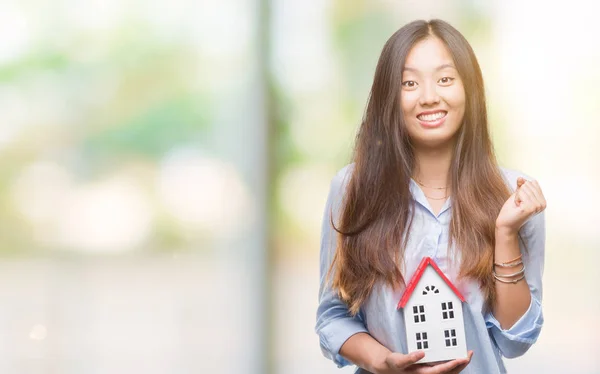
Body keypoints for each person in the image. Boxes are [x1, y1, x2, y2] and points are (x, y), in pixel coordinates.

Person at [315, 19, 546, 374]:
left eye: (445, 79)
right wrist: (383, 361)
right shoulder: (352, 189)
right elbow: (332, 316)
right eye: (409, 83)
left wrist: (505, 233)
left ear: (469, 89)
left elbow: (515, 340)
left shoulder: (513, 198)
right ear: (388, 96)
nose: (429, 96)